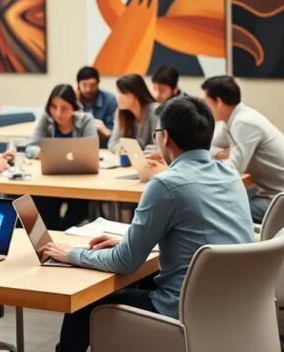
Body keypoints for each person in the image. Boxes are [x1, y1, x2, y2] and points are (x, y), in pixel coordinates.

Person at [40, 97, 254, 352]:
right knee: (141, 281)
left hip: (182, 311)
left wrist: (72, 254)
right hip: (233, 306)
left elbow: (125, 262)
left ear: (165, 138)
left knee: (82, 306)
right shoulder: (231, 176)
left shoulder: (166, 184)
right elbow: (195, 236)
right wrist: (128, 242)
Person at [201, 75, 284, 223]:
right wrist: (222, 154)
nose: (206, 109)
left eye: (206, 103)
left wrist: (201, 167)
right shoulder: (233, 120)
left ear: (219, 102)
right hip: (281, 193)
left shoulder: (244, 123)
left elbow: (233, 170)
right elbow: (206, 144)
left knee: (223, 211)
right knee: (226, 204)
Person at [26, 84, 98, 230]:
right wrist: (40, 153)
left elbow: (92, 149)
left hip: (80, 181)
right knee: (40, 202)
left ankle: (64, 235)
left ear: (74, 107)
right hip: (50, 181)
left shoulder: (86, 120)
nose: (58, 113)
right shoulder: (46, 119)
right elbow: (30, 147)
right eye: (53, 107)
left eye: (64, 108)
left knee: (78, 211)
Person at [107, 74, 160, 151]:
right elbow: (112, 143)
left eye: (121, 93)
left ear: (135, 94)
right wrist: (120, 148)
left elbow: (160, 147)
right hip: (133, 160)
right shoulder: (120, 112)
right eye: (117, 92)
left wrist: (132, 149)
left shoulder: (156, 111)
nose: (117, 97)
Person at [76, 66, 117, 148]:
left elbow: (115, 132)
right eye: (84, 85)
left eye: (92, 85)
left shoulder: (110, 100)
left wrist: (103, 130)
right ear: (78, 85)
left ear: (98, 84)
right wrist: (74, 100)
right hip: (77, 148)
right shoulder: (73, 100)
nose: (88, 89)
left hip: (104, 148)